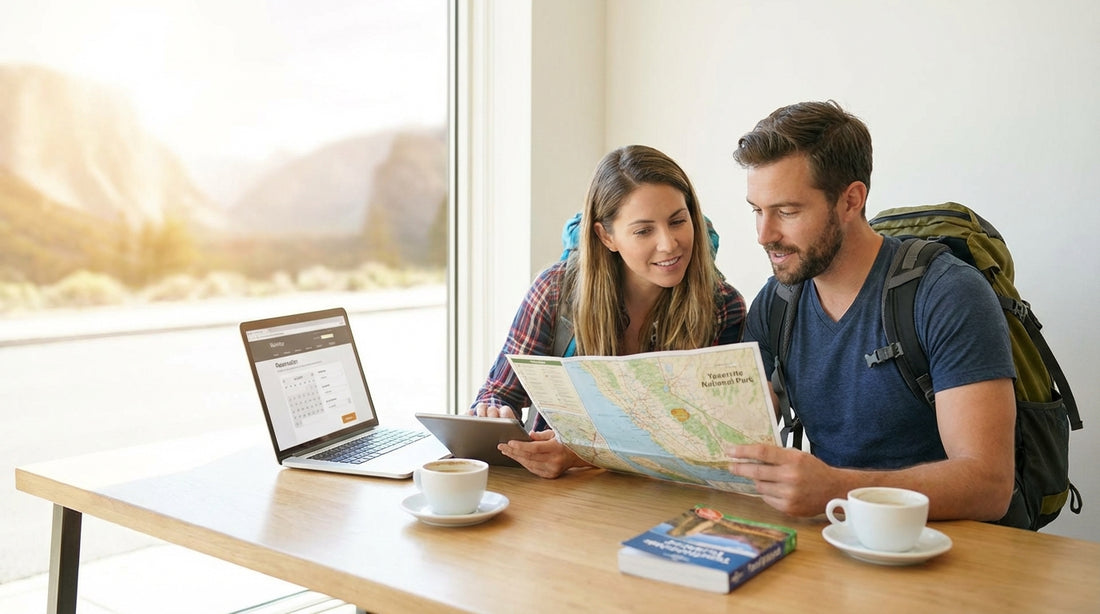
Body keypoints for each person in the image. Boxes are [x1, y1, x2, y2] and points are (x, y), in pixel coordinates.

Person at [724, 100, 1017, 523]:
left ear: (851, 200)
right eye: (757, 210)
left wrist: (838, 489)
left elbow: (989, 485)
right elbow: (738, 432)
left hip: (942, 550)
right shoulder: (777, 303)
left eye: (787, 211)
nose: (763, 234)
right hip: (834, 540)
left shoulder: (947, 294)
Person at [470, 144, 747, 478]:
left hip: (666, 498)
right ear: (606, 236)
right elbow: (498, 393)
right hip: (557, 498)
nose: (669, 244)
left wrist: (585, 454)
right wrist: (493, 413)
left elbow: (714, 438)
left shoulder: (723, 306)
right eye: (644, 230)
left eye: (678, 221)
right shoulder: (555, 290)